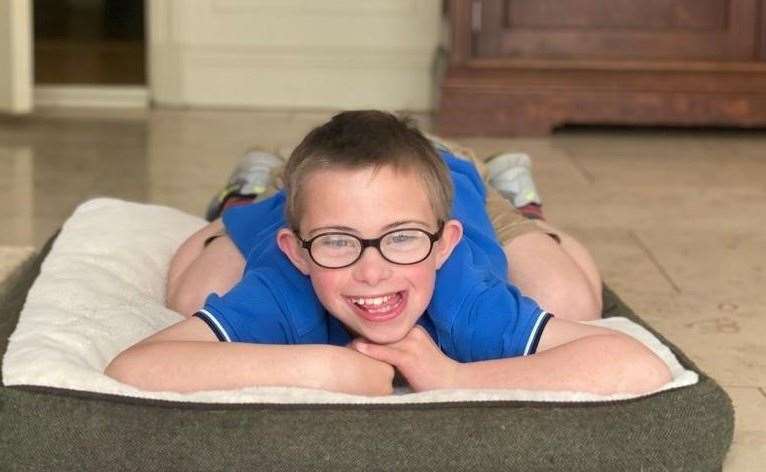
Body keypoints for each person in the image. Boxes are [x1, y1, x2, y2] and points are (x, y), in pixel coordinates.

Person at [104, 111, 670, 396]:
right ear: (297, 252)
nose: (372, 273)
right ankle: (250, 189)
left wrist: (451, 378)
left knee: (571, 298)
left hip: (451, 175)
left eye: (401, 241)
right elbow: (136, 365)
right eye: (336, 245)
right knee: (189, 290)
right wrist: (330, 369)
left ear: (444, 246)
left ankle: (522, 206)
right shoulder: (285, 288)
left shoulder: (464, 297)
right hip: (315, 192)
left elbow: (637, 364)